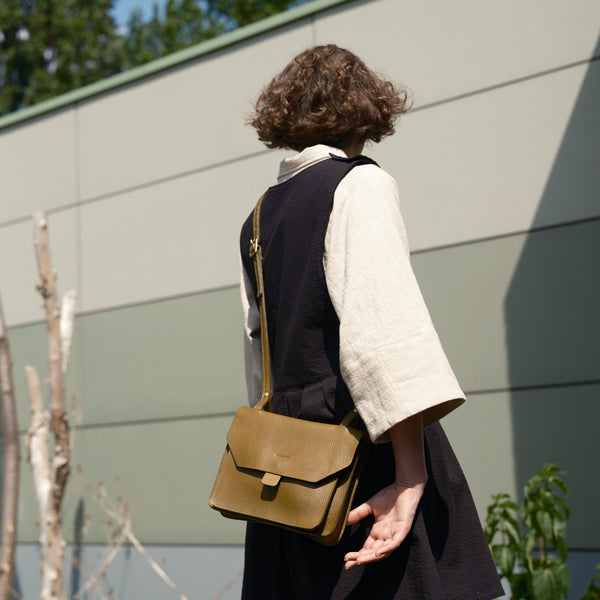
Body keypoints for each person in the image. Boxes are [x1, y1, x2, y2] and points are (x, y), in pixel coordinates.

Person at [238, 44, 503, 600]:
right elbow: (381, 333)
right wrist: (410, 477)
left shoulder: (259, 215)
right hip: (362, 450)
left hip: (287, 468)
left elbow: (259, 360)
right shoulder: (359, 184)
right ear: (366, 108)